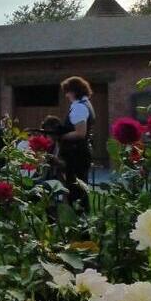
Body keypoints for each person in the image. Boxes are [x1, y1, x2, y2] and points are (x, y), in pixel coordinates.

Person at [59, 76, 95, 211]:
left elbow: (80, 133)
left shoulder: (80, 107)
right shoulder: (85, 104)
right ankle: (81, 215)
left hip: (76, 154)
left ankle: (79, 217)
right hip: (80, 152)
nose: (67, 95)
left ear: (74, 91)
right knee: (79, 187)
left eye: (68, 92)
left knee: (76, 188)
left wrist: (61, 136)